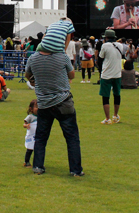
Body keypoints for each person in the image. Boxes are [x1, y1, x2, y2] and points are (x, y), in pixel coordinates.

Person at [24, 43, 83, 177]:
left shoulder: (33, 58)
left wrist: (37, 80)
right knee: (72, 138)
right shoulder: (62, 56)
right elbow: (72, 75)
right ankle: (75, 169)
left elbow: (28, 75)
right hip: (64, 102)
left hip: (44, 103)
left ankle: (38, 166)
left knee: (41, 137)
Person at [98, 29, 125, 124]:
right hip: (117, 73)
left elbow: (100, 58)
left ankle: (107, 118)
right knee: (117, 95)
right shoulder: (120, 45)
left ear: (106, 37)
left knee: (105, 96)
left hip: (106, 74)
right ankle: (115, 115)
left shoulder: (104, 46)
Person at [23, 99, 38, 167]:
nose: (38, 108)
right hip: (31, 136)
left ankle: (37, 163)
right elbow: (24, 124)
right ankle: (26, 161)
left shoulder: (42, 116)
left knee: (38, 149)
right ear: (31, 109)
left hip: (38, 135)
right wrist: (26, 125)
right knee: (30, 149)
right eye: (36, 107)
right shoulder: (30, 117)